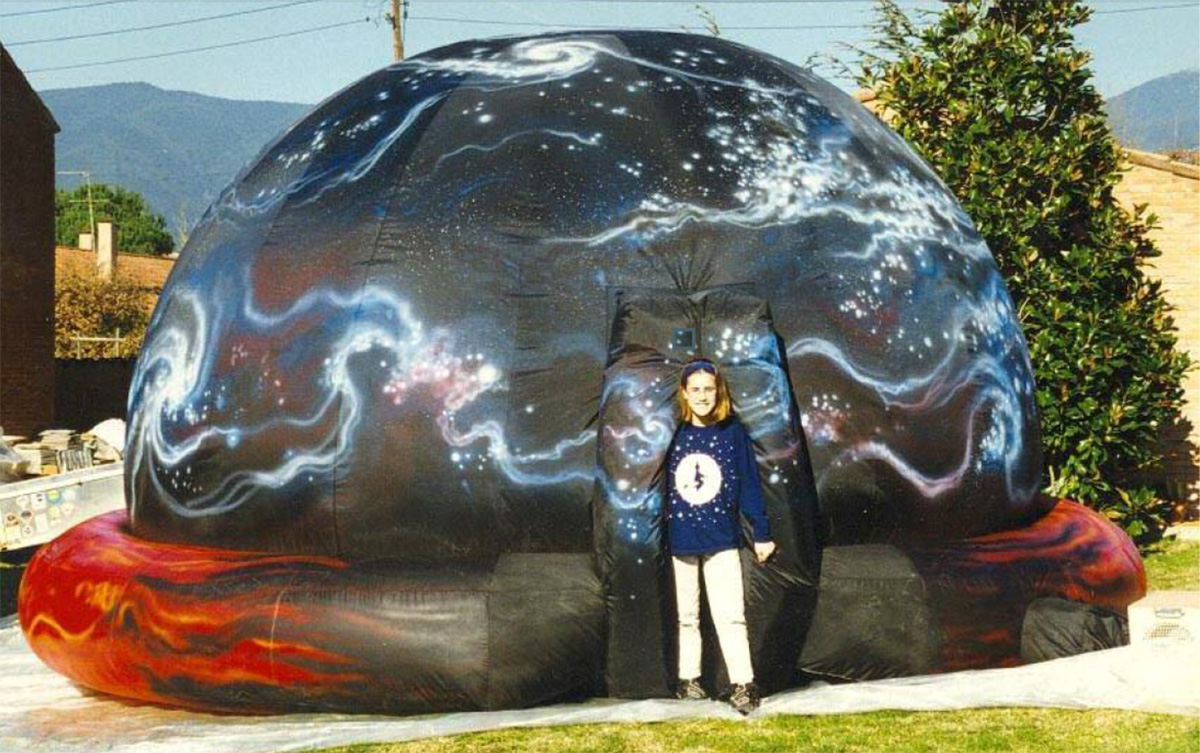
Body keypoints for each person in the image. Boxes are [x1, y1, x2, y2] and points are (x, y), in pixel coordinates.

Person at [666, 357, 776, 715]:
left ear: (719, 392)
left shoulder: (732, 432)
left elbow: (750, 485)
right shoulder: (672, 434)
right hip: (681, 538)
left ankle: (743, 684)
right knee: (687, 615)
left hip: (722, 537)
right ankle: (689, 680)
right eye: (695, 389)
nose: (702, 396)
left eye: (708, 389)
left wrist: (761, 532)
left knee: (730, 614)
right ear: (684, 393)